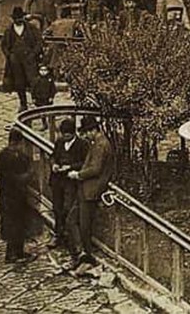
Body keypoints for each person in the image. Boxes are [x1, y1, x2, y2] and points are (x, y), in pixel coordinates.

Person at [67, 116, 114, 272]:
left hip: (91, 190)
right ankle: (81, 254)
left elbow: (95, 169)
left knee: (83, 225)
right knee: (72, 221)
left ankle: (86, 256)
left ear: (94, 130)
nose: (86, 136)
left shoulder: (101, 145)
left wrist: (78, 175)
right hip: (85, 189)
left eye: (87, 132)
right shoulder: (97, 143)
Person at [0, 130, 38, 263]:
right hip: (13, 197)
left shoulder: (4, 154)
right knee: (15, 225)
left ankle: (17, 252)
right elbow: (15, 178)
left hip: (8, 196)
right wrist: (29, 175)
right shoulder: (12, 157)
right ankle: (13, 254)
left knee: (15, 225)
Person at [48, 118, 87, 255]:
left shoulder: (82, 145)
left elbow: (84, 163)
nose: (65, 137)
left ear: (73, 133)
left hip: (70, 182)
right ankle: (58, 234)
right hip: (57, 181)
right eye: (63, 135)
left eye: (67, 135)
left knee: (67, 208)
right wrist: (54, 164)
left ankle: (69, 237)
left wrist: (70, 167)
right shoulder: (59, 142)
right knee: (57, 208)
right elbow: (53, 156)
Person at [1, 7, 42, 111]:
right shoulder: (9, 30)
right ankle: (23, 103)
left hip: (29, 60)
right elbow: (4, 45)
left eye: (20, 19)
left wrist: (33, 54)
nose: (18, 21)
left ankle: (38, 103)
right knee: (19, 83)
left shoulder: (31, 28)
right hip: (15, 62)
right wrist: (9, 56)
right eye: (16, 19)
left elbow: (39, 42)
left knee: (34, 82)